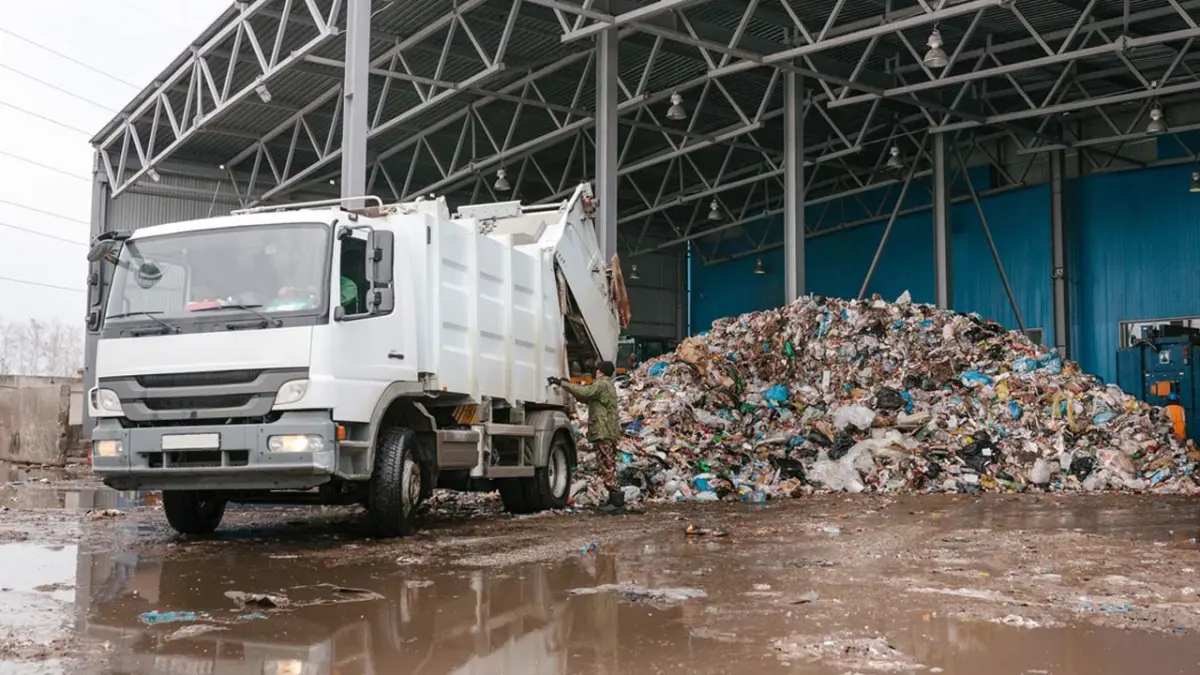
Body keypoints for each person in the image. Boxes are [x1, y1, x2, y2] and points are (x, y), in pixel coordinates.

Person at [548, 360, 626, 514]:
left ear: (600, 371)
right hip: (606, 431)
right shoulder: (605, 385)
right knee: (607, 464)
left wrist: (564, 384)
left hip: (603, 431)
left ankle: (617, 502)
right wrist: (569, 386)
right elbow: (585, 397)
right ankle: (614, 498)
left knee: (607, 465)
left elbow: (585, 393)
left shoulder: (602, 383)